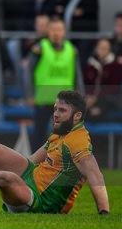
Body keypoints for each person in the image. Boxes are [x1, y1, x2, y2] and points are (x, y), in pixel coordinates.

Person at [25, 18, 84, 152]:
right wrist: (29, 94)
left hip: (66, 102)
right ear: (48, 31)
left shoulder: (72, 50)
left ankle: (63, 165)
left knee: (65, 135)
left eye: (59, 29)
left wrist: (80, 95)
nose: (56, 33)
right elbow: (28, 72)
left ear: (64, 32)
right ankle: (35, 165)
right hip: (44, 99)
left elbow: (77, 75)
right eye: (53, 29)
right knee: (39, 134)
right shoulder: (39, 49)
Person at [56, 0, 99, 64]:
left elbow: (91, 12)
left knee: (81, 60)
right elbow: (58, 9)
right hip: (69, 36)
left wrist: (81, 12)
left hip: (85, 36)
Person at [84, 39, 122, 120]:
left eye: (105, 48)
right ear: (96, 49)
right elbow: (86, 83)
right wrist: (88, 96)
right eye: (100, 48)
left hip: (108, 99)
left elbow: (114, 87)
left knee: (106, 102)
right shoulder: (90, 65)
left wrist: (95, 98)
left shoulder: (115, 65)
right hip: (91, 98)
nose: (102, 50)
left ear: (109, 50)